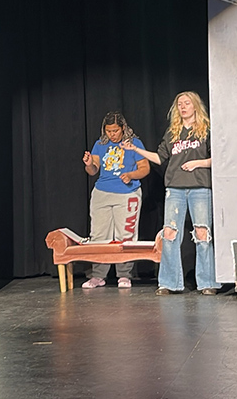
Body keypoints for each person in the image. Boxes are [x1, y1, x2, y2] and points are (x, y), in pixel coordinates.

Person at [123, 92, 215, 295]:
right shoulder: (172, 132)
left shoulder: (206, 130)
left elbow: (218, 158)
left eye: (187, 103)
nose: (183, 107)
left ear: (195, 107)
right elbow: (159, 158)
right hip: (175, 188)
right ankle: (169, 283)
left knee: (202, 233)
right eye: (179, 104)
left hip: (200, 187)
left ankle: (207, 282)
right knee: (170, 234)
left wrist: (197, 163)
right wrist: (136, 150)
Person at [80, 112, 151, 289]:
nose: (112, 134)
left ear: (123, 128)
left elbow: (145, 167)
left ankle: (124, 275)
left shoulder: (134, 144)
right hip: (102, 193)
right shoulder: (100, 144)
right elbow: (93, 170)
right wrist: (88, 163)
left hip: (127, 193)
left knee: (125, 235)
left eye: (115, 130)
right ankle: (98, 276)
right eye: (108, 130)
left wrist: (131, 175)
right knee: (98, 236)